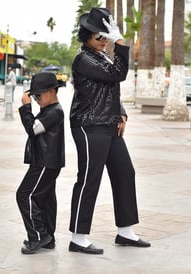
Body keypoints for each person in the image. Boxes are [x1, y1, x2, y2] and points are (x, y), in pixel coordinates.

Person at [68, 7, 151, 255]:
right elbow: (118, 74)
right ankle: (78, 237)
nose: (104, 41)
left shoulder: (101, 56)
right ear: (87, 37)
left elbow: (109, 86)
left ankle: (125, 231)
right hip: (89, 125)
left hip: (109, 123)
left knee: (125, 172)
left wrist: (121, 112)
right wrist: (121, 43)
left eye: (106, 36)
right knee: (89, 179)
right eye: (99, 37)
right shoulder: (84, 59)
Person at [16, 72, 65, 255]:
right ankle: (48, 238)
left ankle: (37, 236)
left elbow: (32, 129)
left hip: (46, 163)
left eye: (39, 95)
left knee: (25, 195)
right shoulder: (49, 110)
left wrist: (26, 108)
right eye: (33, 96)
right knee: (45, 199)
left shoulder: (55, 112)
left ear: (52, 91)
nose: (36, 99)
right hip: (45, 162)